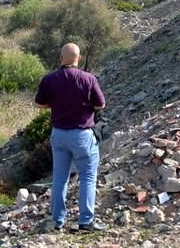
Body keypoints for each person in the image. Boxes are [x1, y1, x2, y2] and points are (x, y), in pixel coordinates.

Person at [34, 43, 107, 231]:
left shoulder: (49, 79)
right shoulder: (88, 78)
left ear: (61, 58)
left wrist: (57, 104)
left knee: (60, 178)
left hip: (58, 135)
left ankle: (57, 221)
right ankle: (86, 221)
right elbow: (101, 104)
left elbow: (39, 104)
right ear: (79, 58)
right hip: (82, 134)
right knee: (88, 178)